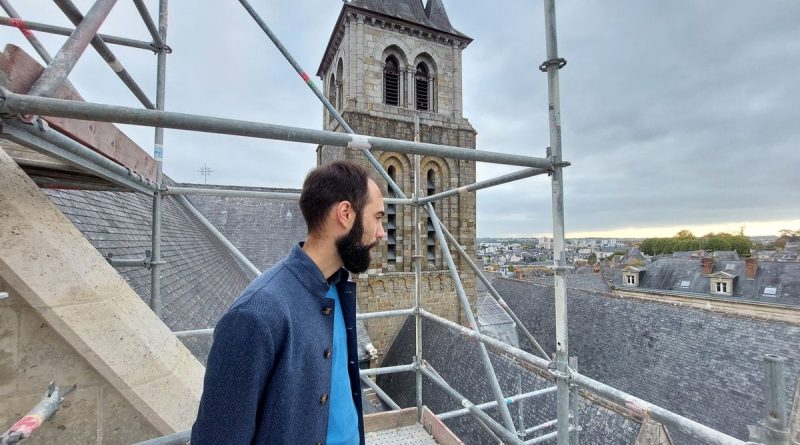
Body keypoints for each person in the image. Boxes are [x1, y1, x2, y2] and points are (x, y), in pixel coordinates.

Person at [191, 161, 386, 445]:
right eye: (377, 217)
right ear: (345, 214)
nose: (381, 232)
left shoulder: (337, 286)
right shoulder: (255, 315)